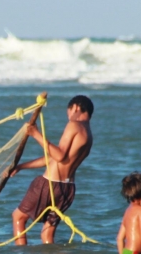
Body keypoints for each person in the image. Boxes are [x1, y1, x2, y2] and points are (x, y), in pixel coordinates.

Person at [8, 95, 94, 244]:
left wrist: (36, 134)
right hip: (67, 189)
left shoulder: (74, 124)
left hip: (48, 185)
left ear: (75, 108)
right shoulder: (89, 134)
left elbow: (59, 156)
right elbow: (53, 159)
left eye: (69, 112)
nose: (69, 117)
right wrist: (21, 166)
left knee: (18, 217)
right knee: (47, 235)